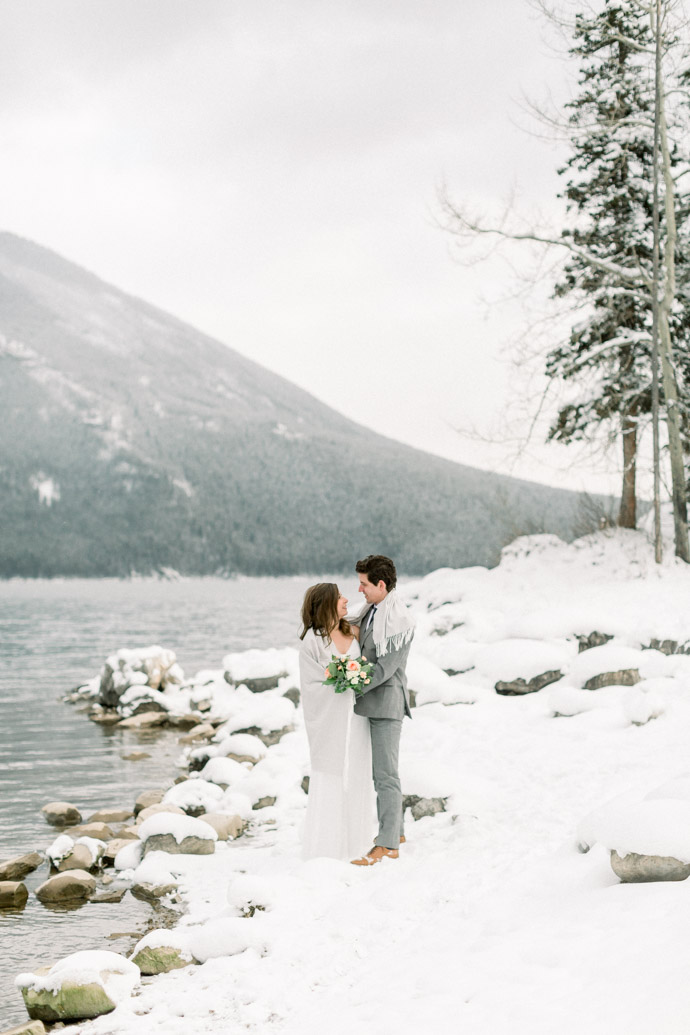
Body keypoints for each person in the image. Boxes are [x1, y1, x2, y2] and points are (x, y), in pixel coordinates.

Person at [298, 583, 376, 860]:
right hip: (330, 721)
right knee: (332, 773)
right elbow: (311, 684)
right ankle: (327, 850)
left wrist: (357, 676)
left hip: (356, 717)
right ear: (326, 603)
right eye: (340, 596)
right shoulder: (313, 641)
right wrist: (341, 678)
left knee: (356, 770)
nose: (346, 600)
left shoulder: (352, 630)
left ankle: (358, 845)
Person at [349, 554, 414, 867]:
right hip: (373, 702)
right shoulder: (373, 610)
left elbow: (385, 668)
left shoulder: (398, 620)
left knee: (385, 776)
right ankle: (396, 831)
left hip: (387, 704)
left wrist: (352, 682)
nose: (359, 589)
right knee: (384, 774)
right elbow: (354, 629)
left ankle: (387, 845)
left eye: (364, 584)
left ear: (381, 584)